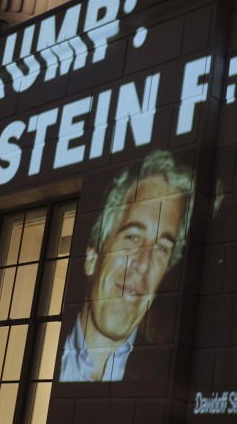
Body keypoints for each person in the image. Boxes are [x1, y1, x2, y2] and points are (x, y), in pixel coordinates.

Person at [59, 150, 193, 382]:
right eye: (132, 237)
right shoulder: (37, 354)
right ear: (92, 258)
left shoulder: (169, 380)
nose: (143, 264)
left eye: (161, 248)